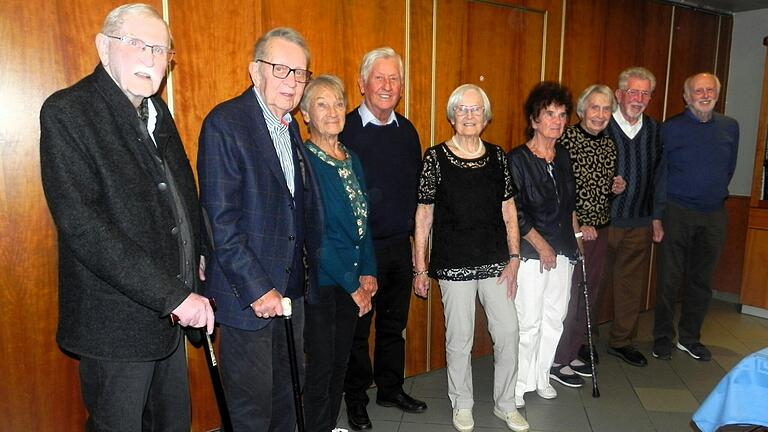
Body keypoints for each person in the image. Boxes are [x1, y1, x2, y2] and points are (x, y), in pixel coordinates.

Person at [39, 4, 214, 430]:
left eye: (161, 50)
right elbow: (84, 226)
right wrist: (173, 296)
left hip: (169, 316)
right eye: (138, 44)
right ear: (103, 47)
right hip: (115, 325)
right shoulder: (68, 112)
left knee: (173, 424)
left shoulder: (157, 111)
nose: (151, 59)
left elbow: (180, 190)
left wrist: (198, 253)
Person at [197, 27, 323, 431]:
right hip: (248, 298)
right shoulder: (226, 123)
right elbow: (221, 221)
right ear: (256, 71)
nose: (292, 82)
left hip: (291, 295)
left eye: (300, 74)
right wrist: (259, 288)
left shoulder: (289, 127)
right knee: (252, 412)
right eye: (281, 69)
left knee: (288, 399)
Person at [413, 84, 529, 432]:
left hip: (496, 261)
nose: (468, 115)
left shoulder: (497, 157)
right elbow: (423, 215)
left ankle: (505, 403)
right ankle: (462, 404)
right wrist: (419, 267)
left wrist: (515, 256)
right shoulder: (435, 157)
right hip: (453, 263)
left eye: (475, 109)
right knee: (459, 339)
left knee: (509, 332)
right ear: (451, 116)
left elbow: (509, 209)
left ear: (485, 117)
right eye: (461, 109)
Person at [341, 47, 426, 430]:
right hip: (359, 251)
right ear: (362, 84)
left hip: (397, 247)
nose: (387, 86)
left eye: (394, 79)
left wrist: (414, 246)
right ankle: (356, 399)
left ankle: (390, 388)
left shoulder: (407, 132)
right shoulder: (343, 131)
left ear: (402, 87)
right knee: (357, 329)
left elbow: (412, 194)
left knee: (394, 325)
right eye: (380, 77)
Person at [298, 75, 378, 431]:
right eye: (321, 104)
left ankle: (328, 426)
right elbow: (316, 236)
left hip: (351, 278)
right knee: (321, 369)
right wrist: (352, 284)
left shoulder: (352, 158)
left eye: (338, 103)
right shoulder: (305, 162)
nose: (333, 111)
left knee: (340, 364)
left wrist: (369, 270)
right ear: (304, 114)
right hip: (325, 282)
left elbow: (365, 220)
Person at [652, 73, 738, 362]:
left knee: (702, 280)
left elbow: (728, 168)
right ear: (686, 97)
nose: (704, 94)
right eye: (697, 91)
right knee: (669, 280)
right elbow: (660, 173)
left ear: (717, 94)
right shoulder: (670, 129)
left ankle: (690, 338)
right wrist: (658, 215)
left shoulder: (730, 127)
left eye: (709, 90)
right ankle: (663, 338)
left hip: (714, 213)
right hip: (677, 212)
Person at [508, 81, 580, 408]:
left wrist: (575, 241)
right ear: (534, 120)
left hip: (564, 250)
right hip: (530, 254)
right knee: (529, 321)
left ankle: (541, 376)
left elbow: (570, 206)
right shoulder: (517, 160)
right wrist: (541, 246)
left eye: (562, 114)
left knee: (555, 317)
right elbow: (515, 213)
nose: (557, 120)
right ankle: (519, 383)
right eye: (549, 114)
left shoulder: (563, 156)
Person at [551, 85, 625, 387]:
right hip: (574, 233)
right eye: (594, 108)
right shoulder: (566, 141)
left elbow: (598, 187)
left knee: (589, 295)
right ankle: (557, 359)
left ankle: (572, 351)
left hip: (601, 229)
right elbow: (564, 192)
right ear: (582, 111)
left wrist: (614, 187)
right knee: (570, 297)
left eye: (606, 109)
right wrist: (580, 225)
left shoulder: (609, 145)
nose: (600, 114)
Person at [602, 67, 665, 368]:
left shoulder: (655, 130)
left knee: (630, 286)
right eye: (633, 91)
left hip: (639, 221)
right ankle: (579, 344)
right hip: (603, 223)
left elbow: (659, 177)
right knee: (591, 284)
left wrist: (656, 217)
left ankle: (622, 341)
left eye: (645, 93)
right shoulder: (599, 124)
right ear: (619, 94)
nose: (638, 99)